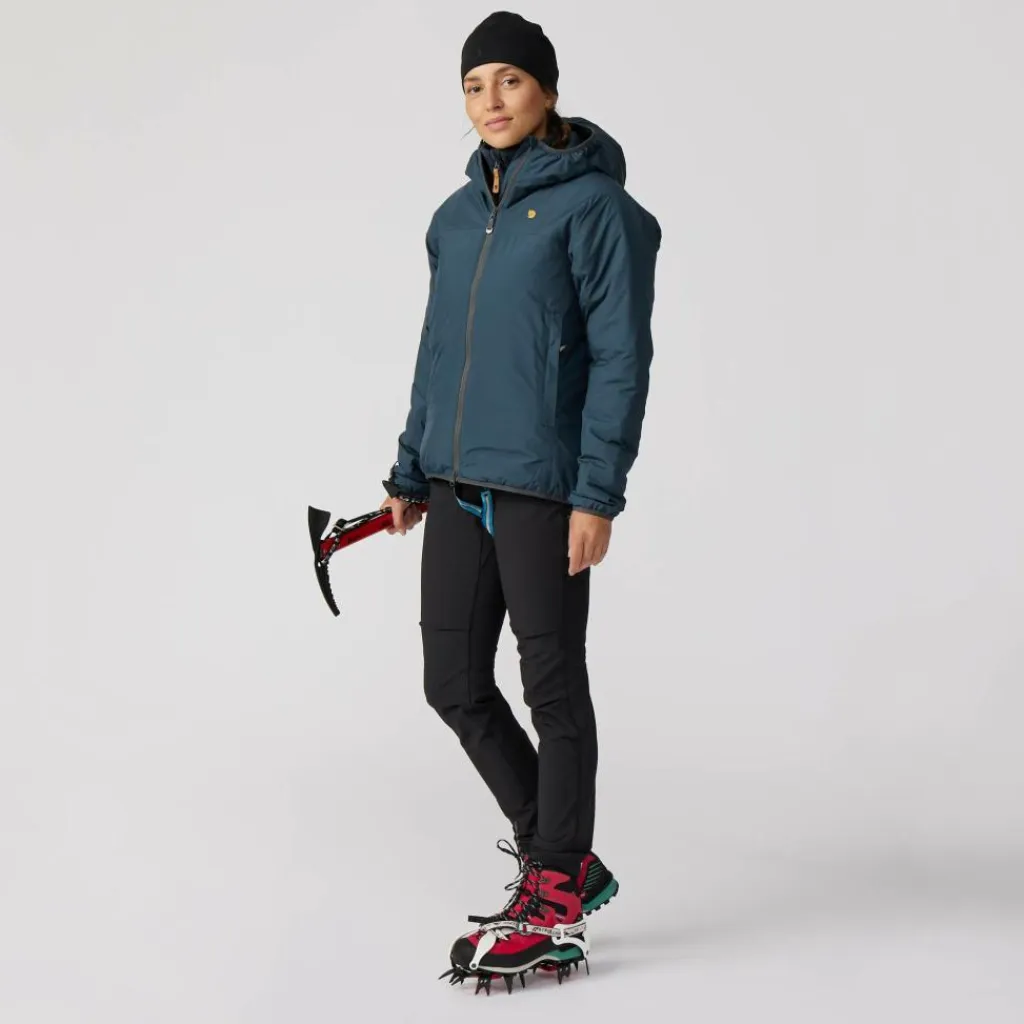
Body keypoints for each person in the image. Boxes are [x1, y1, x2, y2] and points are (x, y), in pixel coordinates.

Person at [379, 12, 661, 987]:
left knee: (551, 685)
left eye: (508, 80)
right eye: (473, 85)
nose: (489, 100)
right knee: (452, 682)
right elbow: (436, 350)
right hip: (455, 481)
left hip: (544, 484)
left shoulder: (599, 210)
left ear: (546, 90)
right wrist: (409, 467)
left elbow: (622, 359)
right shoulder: (454, 219)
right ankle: (561, 859)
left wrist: (598, 493)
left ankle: (555, 887)